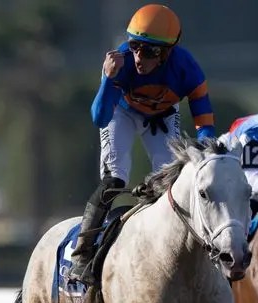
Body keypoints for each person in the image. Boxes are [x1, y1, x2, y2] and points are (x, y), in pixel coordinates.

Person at [69, 3, 216, 285]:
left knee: (169, 182)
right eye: (135, 46)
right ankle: (82, 254)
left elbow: (205, 125)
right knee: (115, 179)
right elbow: (100, 118)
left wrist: (204, 155)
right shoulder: (120, 61)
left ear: (168, 52)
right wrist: (108, 79)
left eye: (149, 51)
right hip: (121, 112)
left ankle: (169, 250)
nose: (139, 57)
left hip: (161, 115)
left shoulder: (188, 69)